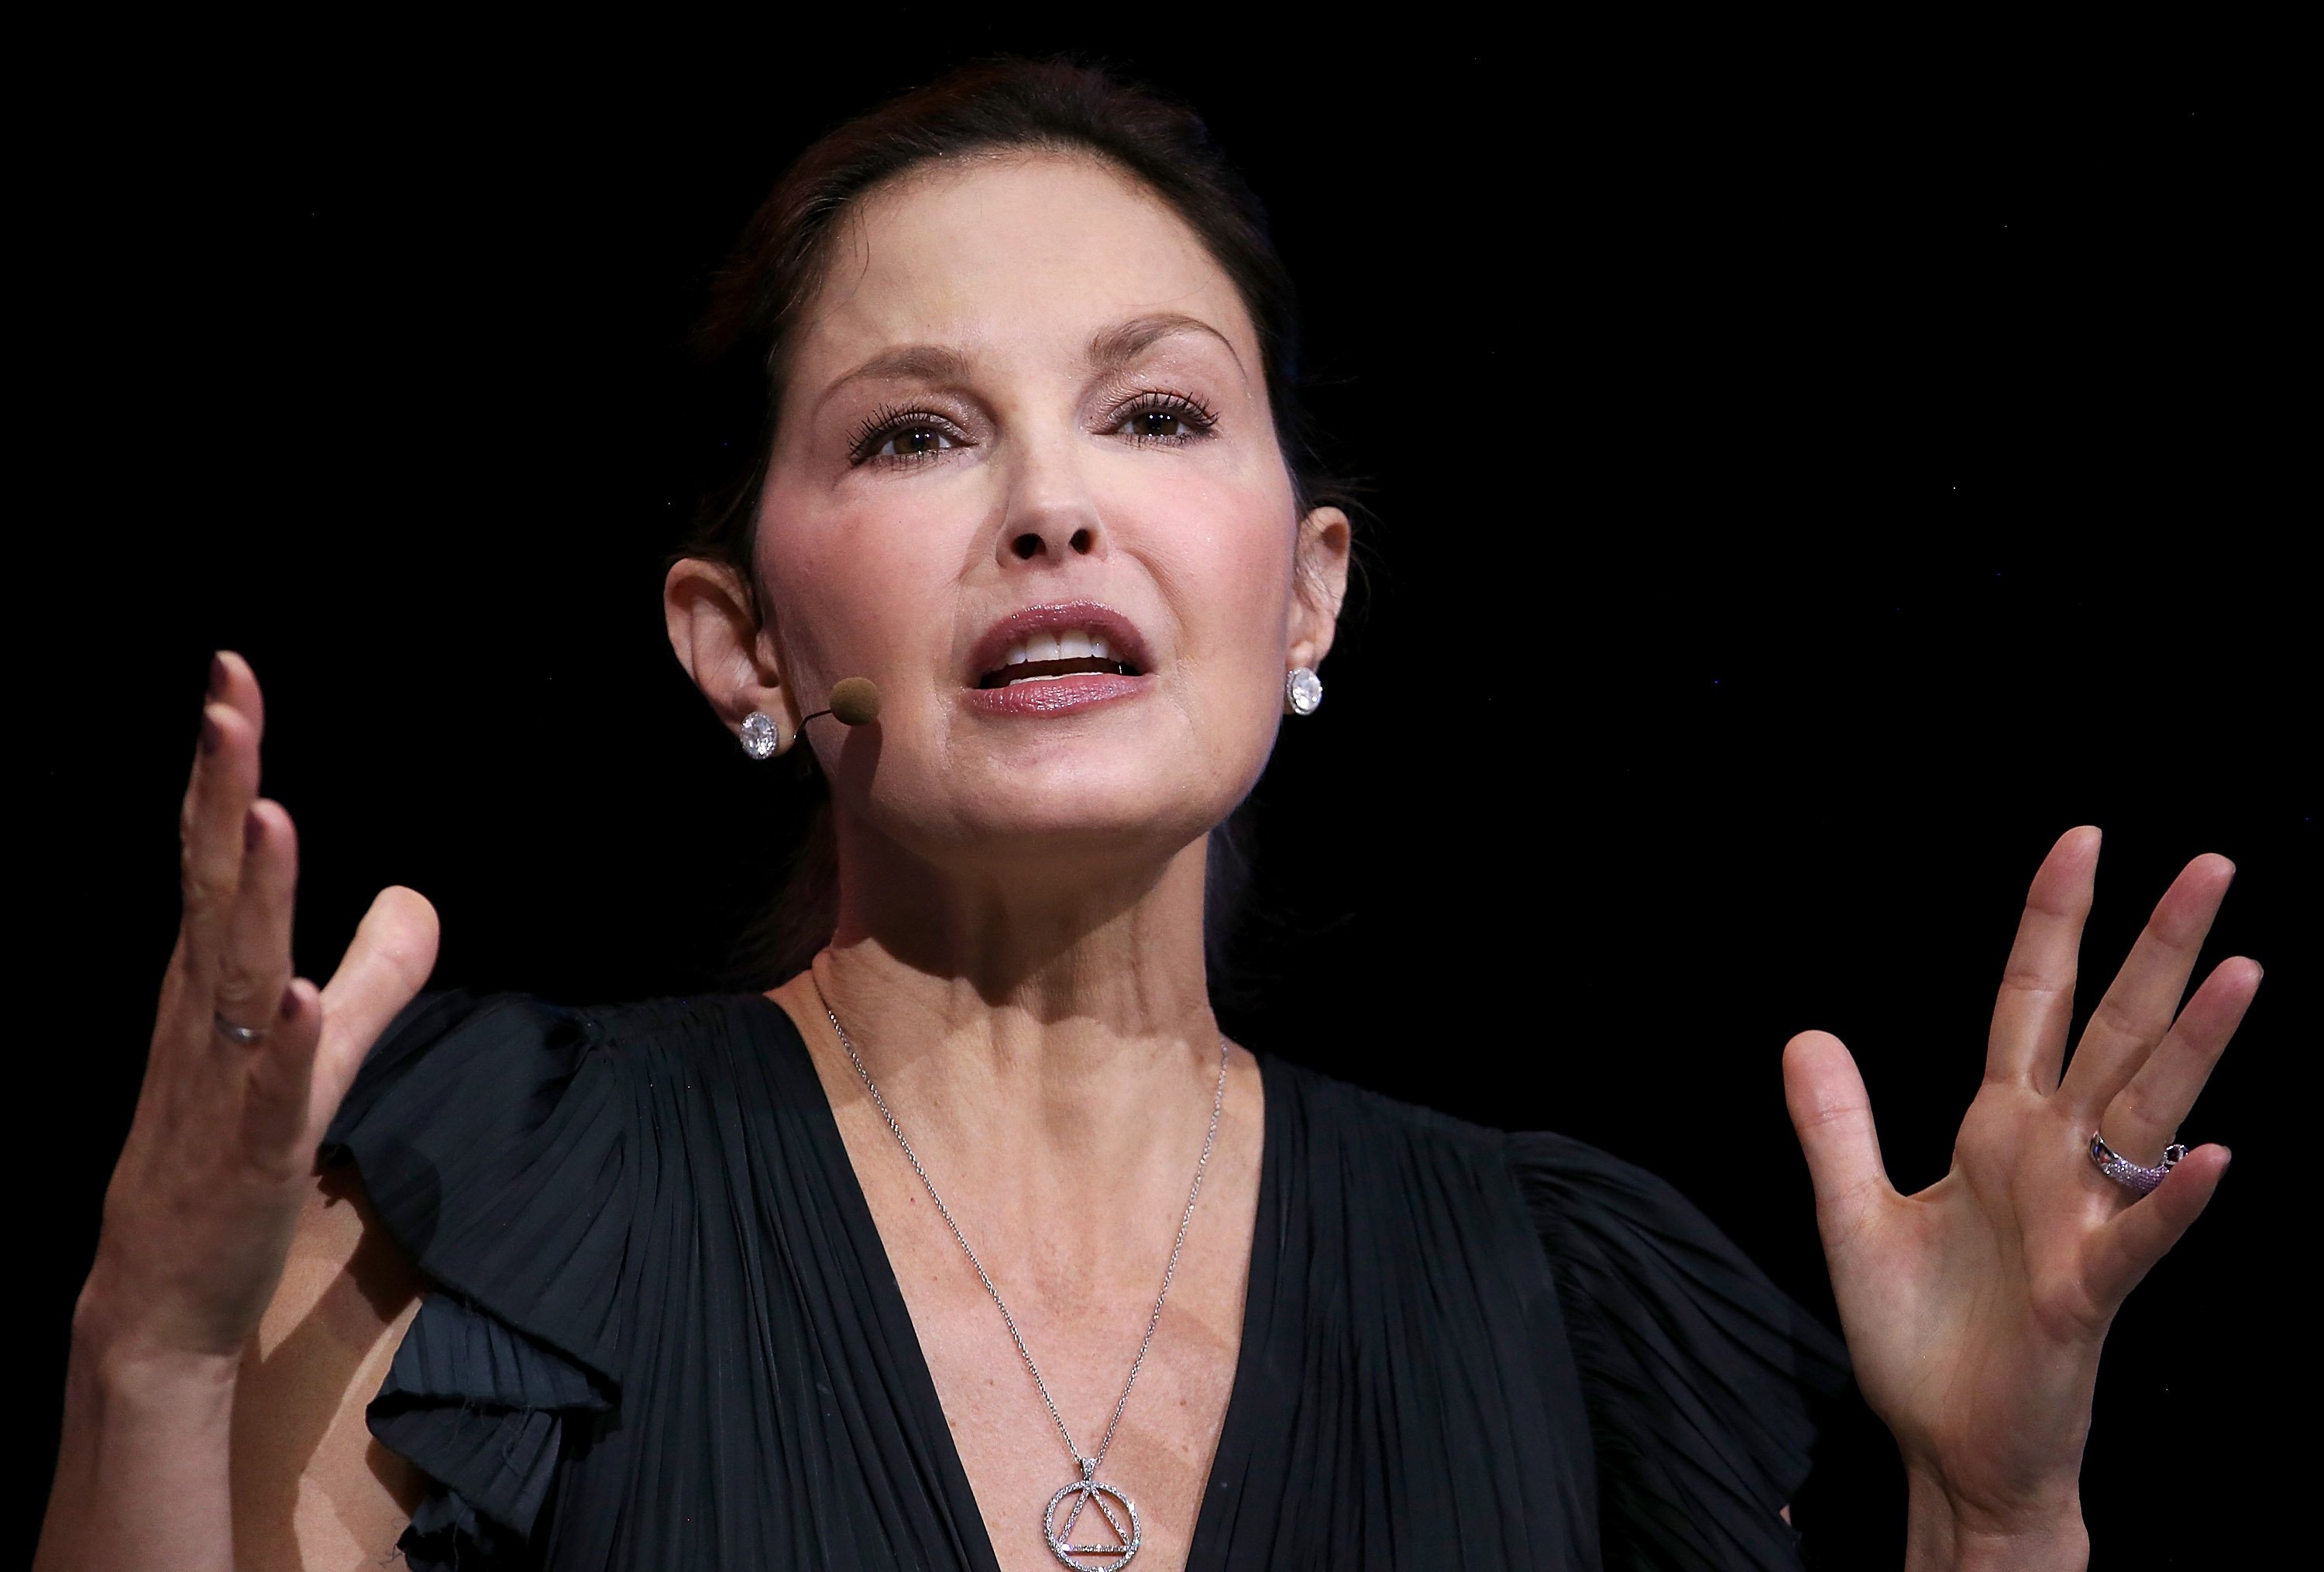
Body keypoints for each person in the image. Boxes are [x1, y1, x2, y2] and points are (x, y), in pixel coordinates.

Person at [35, 57, 2252, 1572]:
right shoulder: (500, 1218)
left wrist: (1993, 1511)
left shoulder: (1560, 1307)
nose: (1054, 509)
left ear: (1308, 585)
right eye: (919, 437)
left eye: (1157, 410)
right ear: (739, 642)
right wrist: (144, 1359)